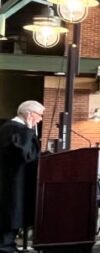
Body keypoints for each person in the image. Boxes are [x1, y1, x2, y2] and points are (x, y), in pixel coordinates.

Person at [0, 101, 43, 253]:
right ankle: (5, 247)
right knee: (11, 214)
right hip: (12, 184)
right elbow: (24, 155)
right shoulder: (13, 129)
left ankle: (8, 245)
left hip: (18, 183)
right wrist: (30, 130)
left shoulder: (19, 129)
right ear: (30, 114)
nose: (40, 120)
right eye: (39, 116)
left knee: (14, 213)